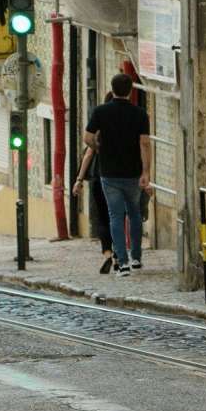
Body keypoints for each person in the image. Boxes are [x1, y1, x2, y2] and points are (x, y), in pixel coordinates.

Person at [83, 73, 151, 277]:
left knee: (115, 217)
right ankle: (136, 258)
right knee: (135, 214)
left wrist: (99, 147)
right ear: (130, 90)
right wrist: (146, 172)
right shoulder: (140, 113)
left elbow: (87, 138)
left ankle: (122, 263)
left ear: (112, 90)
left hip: (109, 173)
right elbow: (145, 143)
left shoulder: (100, 112)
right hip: (133, 173)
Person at [73, 93, 115, 274]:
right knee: (117, 216)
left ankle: (107, 254)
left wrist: (79, 180)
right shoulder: (127, 125)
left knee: (102, 217)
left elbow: (88, 154)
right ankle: (121, 255)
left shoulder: (100, 125)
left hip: (99, 177)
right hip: (120, 177)